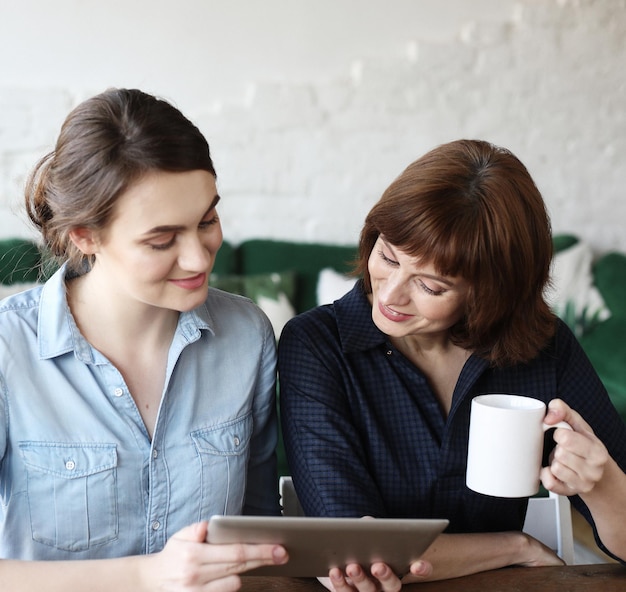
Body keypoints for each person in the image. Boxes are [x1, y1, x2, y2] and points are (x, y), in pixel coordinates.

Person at [278, 139, 626, 589]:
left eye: (431, 286)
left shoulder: (545, 349)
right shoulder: (319, 344)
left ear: (490, 293)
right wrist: (513, 546)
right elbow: (353, 548)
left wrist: (601, 484)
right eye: (387, 257)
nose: (390, 294)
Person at [0, 88, 288, 591]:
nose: (199, 258)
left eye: (207, 221)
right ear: (87, 235)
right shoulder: (9, 348)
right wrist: (148, 576)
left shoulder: (248, 336)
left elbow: (258, 534)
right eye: (161, 241)